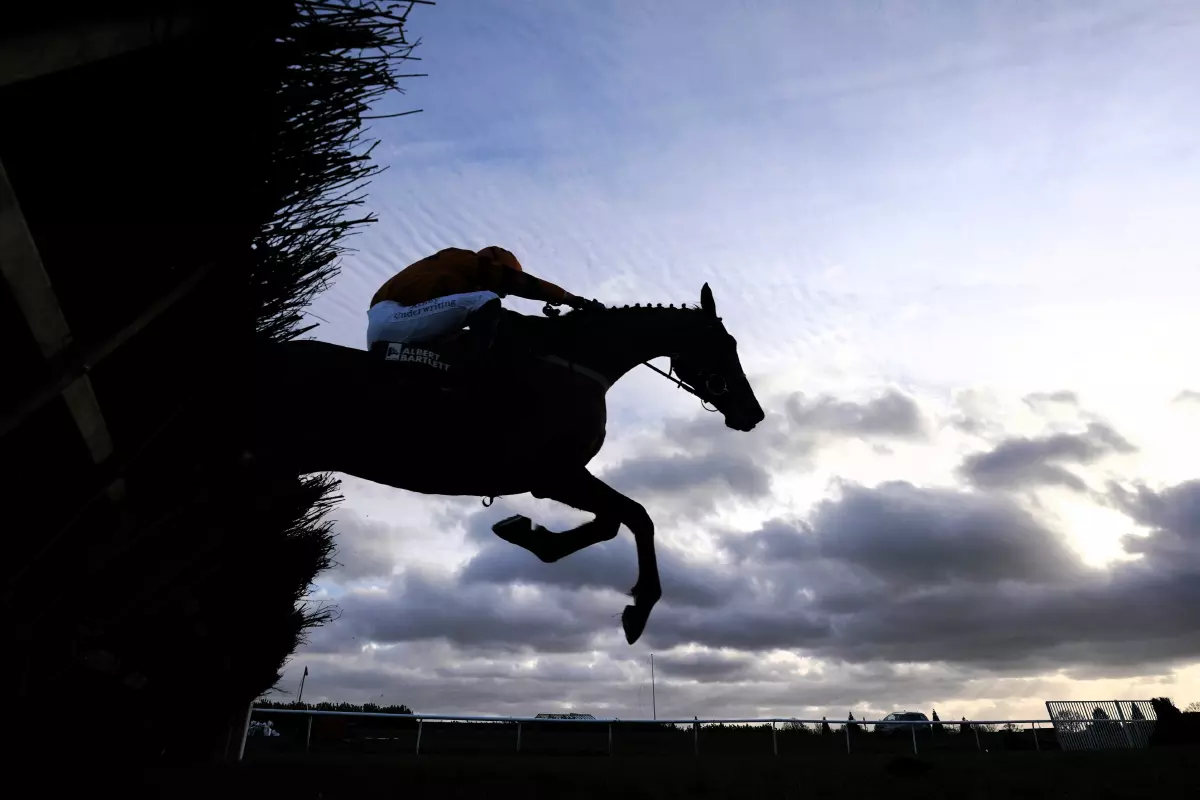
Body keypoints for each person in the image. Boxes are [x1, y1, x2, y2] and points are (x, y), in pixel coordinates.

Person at [366, 246, 592, 356]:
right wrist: (572, 300)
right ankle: (473, 367)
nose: (501, 291)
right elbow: (521, 283)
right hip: (393, 319)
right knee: (486, 300)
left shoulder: (447, 283)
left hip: (393, 325)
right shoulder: (469, 262)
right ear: (494, 264)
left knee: (481, 324)